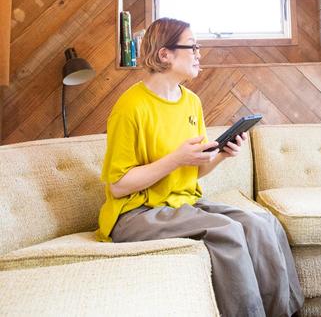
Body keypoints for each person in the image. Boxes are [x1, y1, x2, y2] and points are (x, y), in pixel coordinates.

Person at [97, 17, 304, 317]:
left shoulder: (191, 102)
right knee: (227, 231)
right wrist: (175, 159)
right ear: (164, 54)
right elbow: (118, 186)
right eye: (192, 47)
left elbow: (194, 170)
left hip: (184, 202)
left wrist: (221, 155)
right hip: (135, 213)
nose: (198, 54)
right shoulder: (130, 107)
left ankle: (285, 313)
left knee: (263, 224)